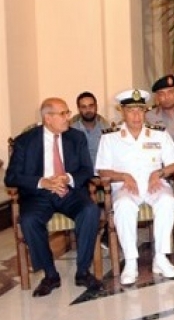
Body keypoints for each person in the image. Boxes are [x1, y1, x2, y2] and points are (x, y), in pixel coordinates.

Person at [4, 98, 103, 296]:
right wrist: (42, 182)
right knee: (29, 220)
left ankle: (83, 271)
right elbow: (11, 177)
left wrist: (68, 178)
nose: (68, 117)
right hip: (38, 195)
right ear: (48, 118)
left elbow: (87, 170)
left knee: (90, 210)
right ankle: (50, 275)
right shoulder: (25, 141)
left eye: (68, 113)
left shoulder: (76, 137)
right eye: (63, 113)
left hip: (69, 192)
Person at [96, 89, 174, 285]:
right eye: (131, 111)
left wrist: (159, 173)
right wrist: (123, 176)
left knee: (168, 202)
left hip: (155, 184)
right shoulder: (110, 137)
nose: (136, 116)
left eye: (140, 110)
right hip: (125, 187)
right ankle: (130, 261)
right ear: (122, 112)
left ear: (145, 111)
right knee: (124, 206)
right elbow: (102, 170)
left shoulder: (158, 134)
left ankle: (161, 258)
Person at [70, 91, 111, 165]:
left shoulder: (106, 129)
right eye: (84, 107)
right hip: (80, 171)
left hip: (102, 170)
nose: (88, 110)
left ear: (96, 107)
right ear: (79, 109)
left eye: (91, 106)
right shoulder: (71, 131)